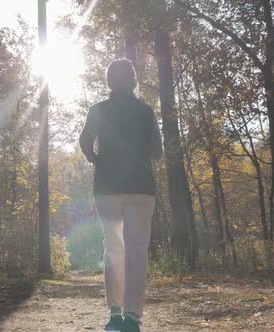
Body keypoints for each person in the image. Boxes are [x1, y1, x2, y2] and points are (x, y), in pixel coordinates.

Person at [79, 59, 163, 332]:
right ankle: (132, 318)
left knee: (113, 248)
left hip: (107, 188)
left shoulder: (98, 110)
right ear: (134, 80)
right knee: (137, 251)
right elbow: (158, 151)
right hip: (141, 187)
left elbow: (84, 141)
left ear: (109, 82)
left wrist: (97, 160)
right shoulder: (145, 111)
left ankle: (115, 313)